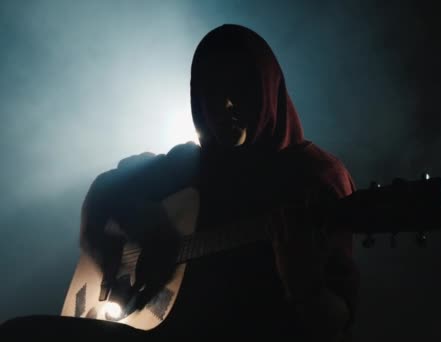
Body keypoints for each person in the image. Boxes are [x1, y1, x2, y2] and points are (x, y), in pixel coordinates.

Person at [0, 24, 359, 341]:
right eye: (212, 91)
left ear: (267, 89)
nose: (226, 105)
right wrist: (115, 244)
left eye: (240, 86)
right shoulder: (191, 163)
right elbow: (103, 191)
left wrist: (305, 288)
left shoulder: (315, 178)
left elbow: (335, 322)